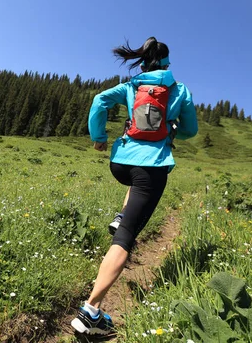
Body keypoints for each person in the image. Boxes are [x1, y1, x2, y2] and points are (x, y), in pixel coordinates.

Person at [70, 37, 198, 335]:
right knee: (125, 238)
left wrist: (98, 136)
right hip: (151, 167)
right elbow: (191, 130)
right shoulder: (179, 90)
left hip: (121, 163)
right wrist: (174, 126)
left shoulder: (132, 86)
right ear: (167, 64)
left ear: (142, 63)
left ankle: (121, 215)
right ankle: (90, 313)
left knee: (133, 188)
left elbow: (99, 100)